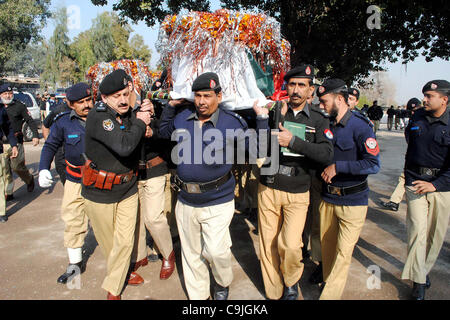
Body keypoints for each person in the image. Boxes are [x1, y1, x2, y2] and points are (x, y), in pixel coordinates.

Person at [159, 72, 269, 300]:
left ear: (219, 96)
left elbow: (259, 150)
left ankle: (221, 282)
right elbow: (163, 132)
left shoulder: (231, 122)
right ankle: (199, 297)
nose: (201, 101)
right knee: (191, 254)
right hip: (186, 201)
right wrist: (170, 106)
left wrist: (262, 119)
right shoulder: (183, 117)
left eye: (207, 96)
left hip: (218, 201)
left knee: (216, 252)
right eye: (197, 96)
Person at [258, 65, 333, 300]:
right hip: (269, 185)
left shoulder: (319, 120)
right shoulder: (274, 112)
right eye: (292, 84)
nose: (296, 90)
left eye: (302, 85)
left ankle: (291, 280)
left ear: (311, 91)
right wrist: (263, 117)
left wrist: (294, 142)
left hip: (299, 189)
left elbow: (326, 154)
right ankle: (274, 290)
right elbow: (258, 145)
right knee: (268, 244)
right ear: (285, 87)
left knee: (291, 244)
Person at [81, 69, 152, 300]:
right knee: (110, 243)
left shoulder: (129, 113)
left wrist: (146, 121)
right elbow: (124, 145)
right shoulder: (99, 117)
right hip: (99, 192)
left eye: (125, 93)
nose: (122, 100)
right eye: (116, 96)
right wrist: (141, 124)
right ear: (103, 99)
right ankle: (123, 274)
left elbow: (137, 138)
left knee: (124, 240)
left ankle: (113, 288)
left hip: (128, 187)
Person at [317, 79, 380, 300]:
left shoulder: (361, 126)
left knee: (343, 255)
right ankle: (327, 283)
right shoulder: (324, 124)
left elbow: (373, 164)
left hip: (353, 202)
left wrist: (339, 167)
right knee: (327, 250)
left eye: (324, 101)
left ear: (340, 99)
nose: (321, 105)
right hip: (327, 199)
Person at [38, 83, 93, 284]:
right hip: (75, 180)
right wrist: (43, 167)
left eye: (89, 100)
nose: (87, 105)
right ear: (70, 104)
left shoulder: (103, 117)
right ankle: (75, 264)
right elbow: (50, 144)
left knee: (107, 221)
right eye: (81, 102)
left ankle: (119, 262)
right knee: (73, 219)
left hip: (102, 181)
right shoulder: (62, 122)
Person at [401, 80, 450, 300]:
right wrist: (409, 179)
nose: (425, 99)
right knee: (417, 232)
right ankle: (419, 280)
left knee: (435, 235)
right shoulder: (417, 117)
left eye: (430, 96)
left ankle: (424, 269)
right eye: (425, 95)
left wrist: (434, 184)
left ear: (444, 99)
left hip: (442, 185)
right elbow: (411, 147)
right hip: (415, 182)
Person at [130, 86, 176, 281]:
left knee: (153, 218)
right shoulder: (123, 114)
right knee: (136, 218)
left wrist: (152, 123)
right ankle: (139, 256)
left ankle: (168, 254)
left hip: (155, 170)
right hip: (134, 173)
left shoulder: (155, 108)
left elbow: (166, 136)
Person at [381, 98, 422, 212]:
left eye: (415, 110)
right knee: (404, 178)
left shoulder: (426, 120)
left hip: (427, 161)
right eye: (411, 111)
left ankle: (395, 201)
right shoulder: (413, 121)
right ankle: (394, 201)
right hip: (412, 157)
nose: (413, 113)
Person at [0, 84, 39, 200]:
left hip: (16, 141)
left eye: (10, 93)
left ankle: (29, 179)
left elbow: (30, 121)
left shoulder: (19, 106)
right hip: (2, 144)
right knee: (5, 170)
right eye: (5, 94)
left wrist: (35, 136)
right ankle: (9, 192)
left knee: (17, 166)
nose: (8, 96)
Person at [42, 95, 71, 185]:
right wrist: (49, 140)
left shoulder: (89, 110)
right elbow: (45, 125)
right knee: (66, 181)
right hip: (62, 151)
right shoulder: (59, 110)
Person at [0, 99, 18, 223]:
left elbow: (8, 128)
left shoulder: (1, 109)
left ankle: (1, 211)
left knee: (0, 179)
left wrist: (14, 145)